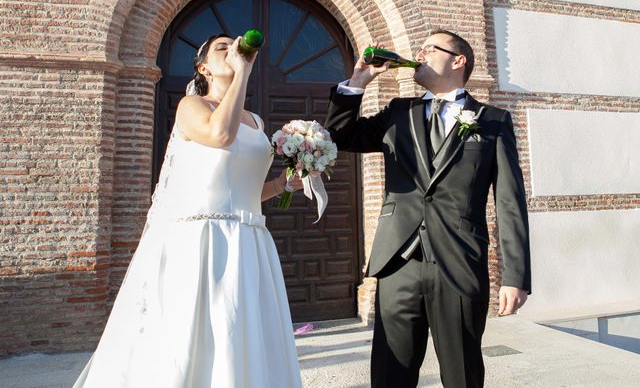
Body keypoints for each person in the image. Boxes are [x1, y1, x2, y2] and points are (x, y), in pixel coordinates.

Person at [74, 34, 303, 388]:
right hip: (203, 243)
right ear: (203, 68)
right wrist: (242, 74)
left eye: (235, 47)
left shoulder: (256, 121)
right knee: (200, 340)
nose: (232, 51)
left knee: (245, 337)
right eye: (221, 48)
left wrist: (287, 184)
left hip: (251, 242)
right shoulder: (192, 107)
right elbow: (219, 136)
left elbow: (249, 191)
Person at [325, 29, 531, 387]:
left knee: (462, 374)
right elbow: (340, 137)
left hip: (459, 262)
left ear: (458, 60)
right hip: (397, 262)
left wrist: (515, 277)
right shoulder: (397, 112)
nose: (418, 54)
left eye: (428, 48)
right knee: (390, 374)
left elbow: (509, 202)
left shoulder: (493, 121)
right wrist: (357, 82)